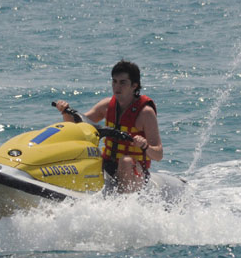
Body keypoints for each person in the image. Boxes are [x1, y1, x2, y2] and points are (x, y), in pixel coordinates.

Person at [54, 60, 162, 193]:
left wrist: (145, 146)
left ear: (134, 85)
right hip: (108, 165)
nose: (117, 87)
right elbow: (77, 126)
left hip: (135, 172)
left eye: (123, 82)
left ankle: (124, 204)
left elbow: (158, 154)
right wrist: (65, 112)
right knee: (87, 151)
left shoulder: (145, 113)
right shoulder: (106, 106)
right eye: (114, 81)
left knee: (125, 161)